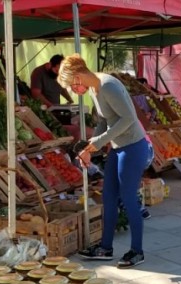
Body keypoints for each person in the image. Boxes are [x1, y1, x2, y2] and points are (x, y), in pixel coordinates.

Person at [57, 54, 152, 269]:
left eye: (72, 85)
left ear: (79, 76)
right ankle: (105, 247)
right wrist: (91, 147)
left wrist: (99, 142)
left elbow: (128, 119)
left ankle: (137, 251)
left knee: (128, 199)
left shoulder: (108, 86)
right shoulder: (95, 88)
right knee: (108, 197)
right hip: (117, 148)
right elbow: (103, 120)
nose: (73, 91)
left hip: (133, 147)